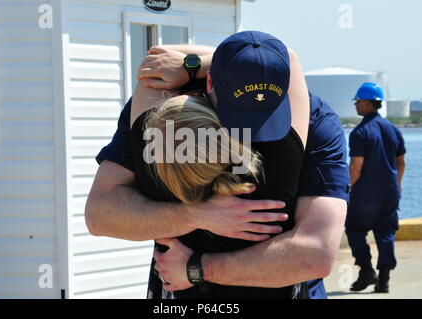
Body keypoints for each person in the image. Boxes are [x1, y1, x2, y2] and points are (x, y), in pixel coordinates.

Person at [85, 31, 350, 299]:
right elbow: (288, 56)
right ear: (209, 83)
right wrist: (198, 217)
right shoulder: (289, 148)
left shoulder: (158, 130)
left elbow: (156, 60)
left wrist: (192, 66)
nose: (253, 131)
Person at [346, 82, 406, 293]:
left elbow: (356, 167)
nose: (355, 105)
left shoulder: (360, 132)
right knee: (386, 234)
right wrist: (397, 185)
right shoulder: (393, 129)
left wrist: (346, 189)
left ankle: (366, 271)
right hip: (390, 193)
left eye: (358, 101)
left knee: (354, 229)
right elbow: (401, 162)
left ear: (367, 103)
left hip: (365, 195)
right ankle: (384, 280)